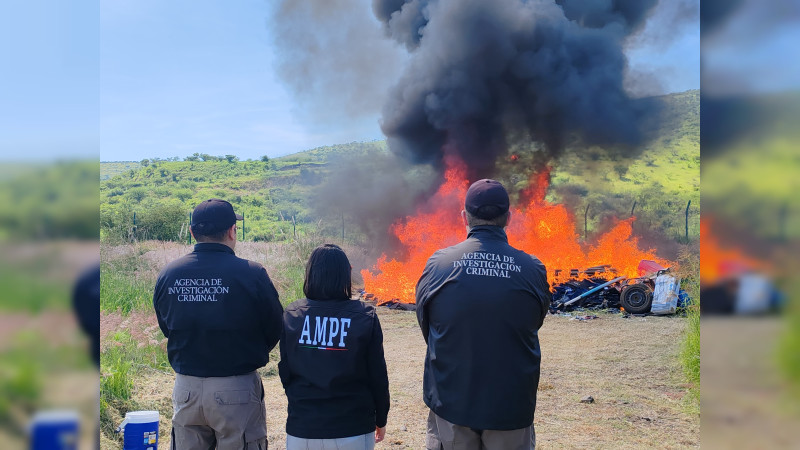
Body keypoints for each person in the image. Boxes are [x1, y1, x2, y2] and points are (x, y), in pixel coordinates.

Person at [415, 179, 551, 450]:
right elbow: (534, 321)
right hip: (510, 406)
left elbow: (428, 327)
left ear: (465, 216)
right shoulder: (533, 268)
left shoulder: (438, 264)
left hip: (452, 402)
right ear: (508, 218)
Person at [153, 198, 283, 449]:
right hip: (237, 388)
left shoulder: (169, 274)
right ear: (233, 230)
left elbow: (166, 325)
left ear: (192, 232)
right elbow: (274, 327)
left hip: (186, 390)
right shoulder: (251, 273)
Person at [279, 244, 390, 450]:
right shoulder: (364, 316)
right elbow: (377, 375)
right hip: (352, 427)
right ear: (345, 275)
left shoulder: (293, 314)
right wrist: (381, 417)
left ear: (311, 273)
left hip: (303, 427)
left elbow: (285, 370)